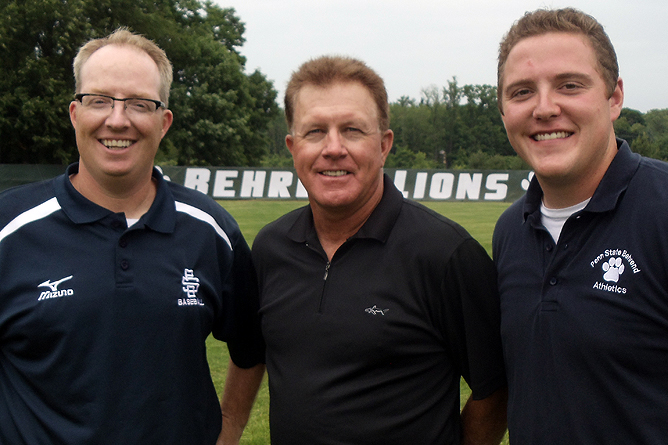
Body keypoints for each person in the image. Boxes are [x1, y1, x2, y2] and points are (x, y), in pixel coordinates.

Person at [0, 28, 265, 444]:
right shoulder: (9, 229)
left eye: (139, 104)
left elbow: (251, 348)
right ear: (74, 113)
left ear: (164, 122)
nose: (117, 119)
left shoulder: (210, 230)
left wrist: (227, 431)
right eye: (99, 100)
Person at [252, 55, 507, 445]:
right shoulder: (271, 248)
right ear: (292, 147)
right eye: (315, 132)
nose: (333, 148)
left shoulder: (445, 254)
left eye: (352, 130)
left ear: (384, 145)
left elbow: (496, 388)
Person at [493, 7, 668, 444]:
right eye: (521, 92)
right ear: (502, 112)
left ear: (614, 97)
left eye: (569, 86)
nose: (544, 108)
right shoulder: (510, 231)